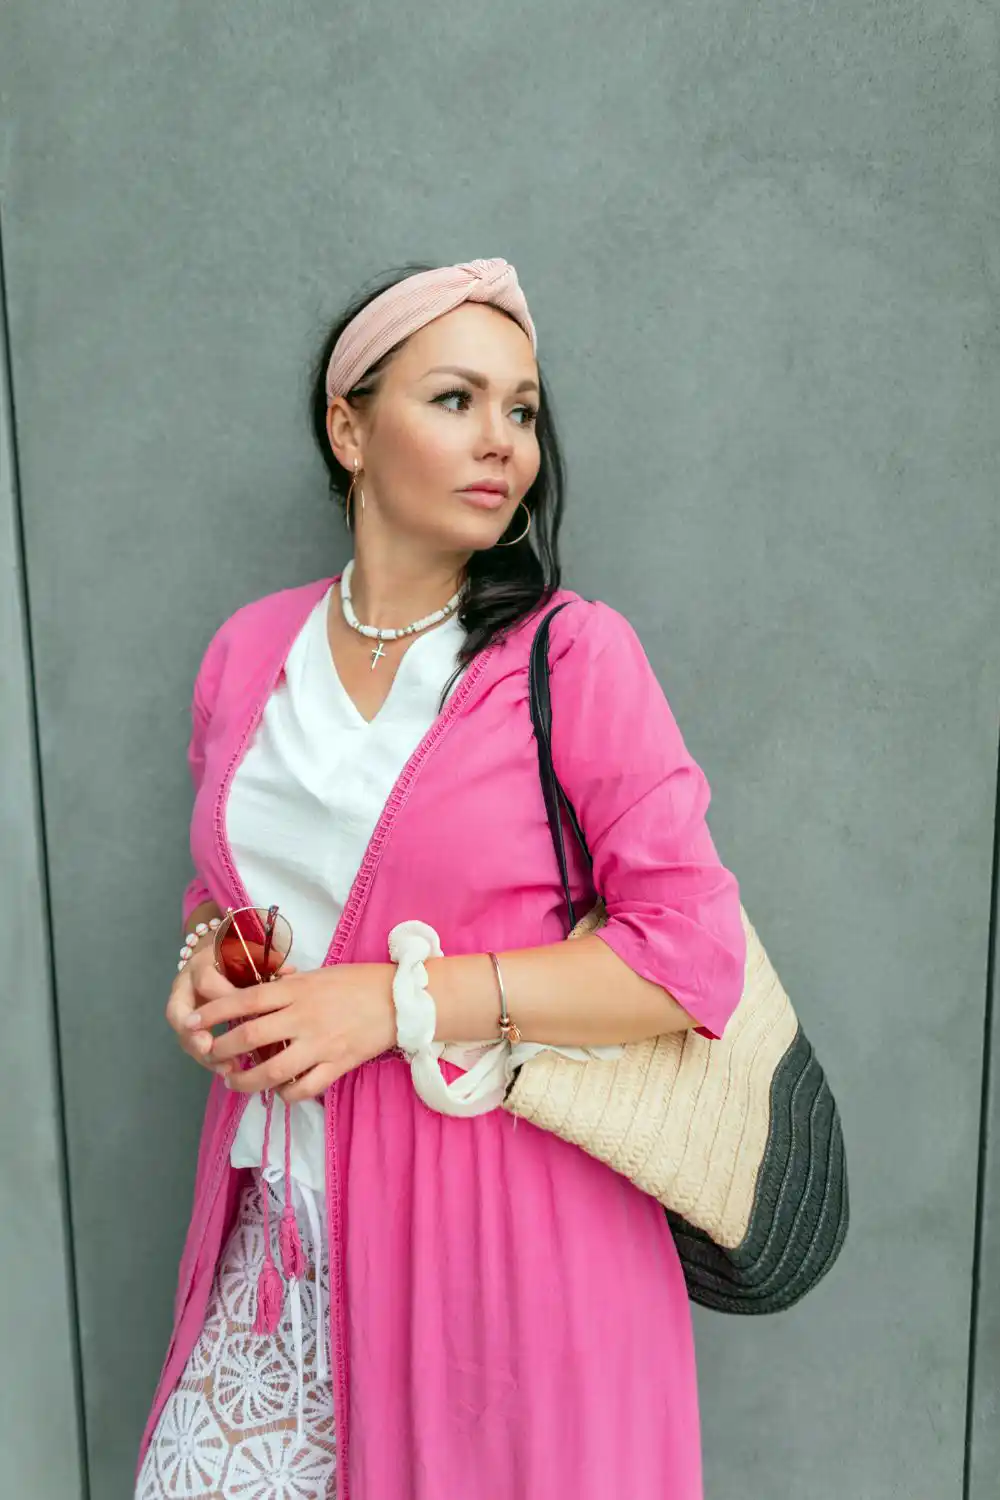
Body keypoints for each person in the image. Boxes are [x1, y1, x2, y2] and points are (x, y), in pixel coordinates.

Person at [134, 257, 747, 1500]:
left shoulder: (571, 657)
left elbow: (692, 955)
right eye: (457, 399)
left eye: (520, 410)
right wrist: (206, 963)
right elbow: (229, 890)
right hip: (279, 1234)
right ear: (348, 428)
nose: (503, 444)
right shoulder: (250, 649)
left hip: (504, 1258)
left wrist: (393, 1004)